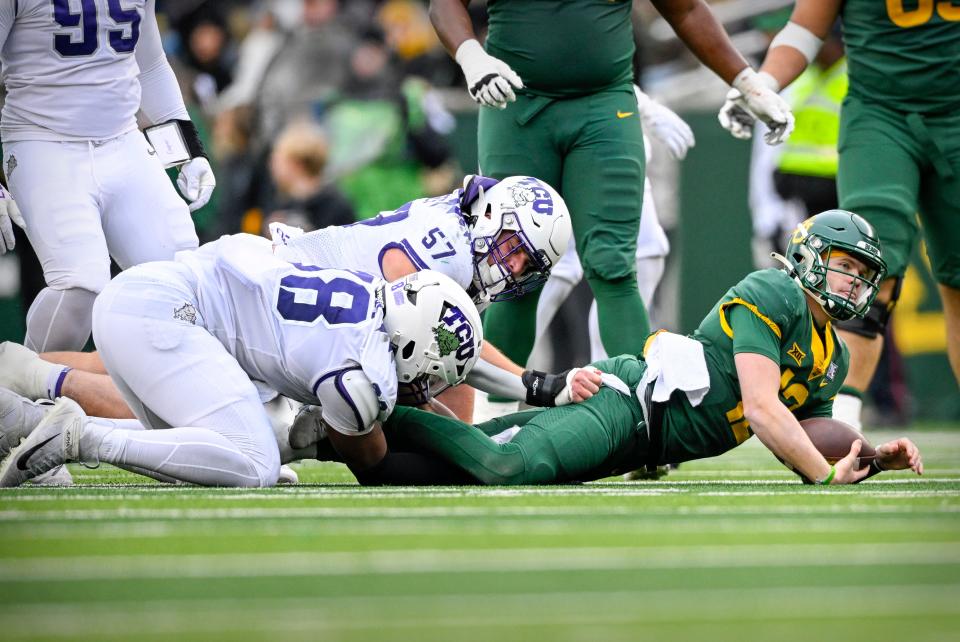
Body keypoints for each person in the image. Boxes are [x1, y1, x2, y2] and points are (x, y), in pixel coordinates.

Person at [324, 210, 923, 486]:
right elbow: (765, 410)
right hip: (627, 405)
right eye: (844, 266)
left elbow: (808, 433)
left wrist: (868, 457)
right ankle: (355, 415)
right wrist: (824, 481)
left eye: (862, 274)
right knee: (507, 465)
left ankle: (350, 439)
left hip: (641, 444)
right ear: (808, 259)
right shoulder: (776, 292)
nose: (855, 284)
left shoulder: (833, 357)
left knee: (446, 467)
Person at [0, 175, 598, 427]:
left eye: (527, 264)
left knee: (140, 375)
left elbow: (448, 362)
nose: (514, 267)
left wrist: (461, 435)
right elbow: (439, 338)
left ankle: (18, 372)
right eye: (516, 249)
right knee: (193, 412)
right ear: (493, 218)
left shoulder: (461, 233)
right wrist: (536, 386)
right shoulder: (451, 253)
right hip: (280, 306)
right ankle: (28, 380)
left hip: (284, 297)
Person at [429, 0, 795, 398]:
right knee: (514, 269)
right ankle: (494, 416)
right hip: (517, 105)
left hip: (604, 105)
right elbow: (444, 4)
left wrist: (748, 82)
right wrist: (470, 55)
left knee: (614, 266)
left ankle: (636, 418)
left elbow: (686, 10)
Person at [0, 233, 484, 488]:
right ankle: (79, 438)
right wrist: (478, 463)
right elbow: (376, 467)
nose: (423, 390)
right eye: (428, 375)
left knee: (218, 441)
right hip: (166, 314)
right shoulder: (362, 376)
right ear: (409, 343)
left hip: (149, 297)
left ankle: (26, 421)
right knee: (254, 462)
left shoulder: (366, 290)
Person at [717, 0, 960, 429]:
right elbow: (807, 27)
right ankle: (843, 423)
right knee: (861, 267)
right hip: (881, 113)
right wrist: (763, 84)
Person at [0, 0, 216, 354]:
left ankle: (160, 399)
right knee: (80, 284)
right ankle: (22, 394)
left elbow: (149, 64)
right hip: (42, 140)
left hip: (123, 138)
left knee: (180, 276)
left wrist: (187, 151)